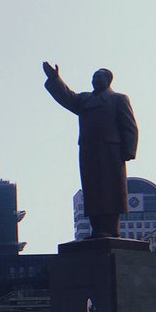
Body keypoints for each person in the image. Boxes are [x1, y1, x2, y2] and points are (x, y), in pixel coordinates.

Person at [42, 62, 139, 239]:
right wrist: (55, 79)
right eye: (93, 77)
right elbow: (67, 97)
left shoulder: (118, 99)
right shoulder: (85, 99)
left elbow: (129, 126)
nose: (95, 80)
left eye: (99, 77)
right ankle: (97, 229)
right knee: (92, 190)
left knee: (110, 190)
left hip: (110, 152)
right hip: (89, 151)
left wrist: (128, 151)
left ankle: (111, 229)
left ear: (108, 80)